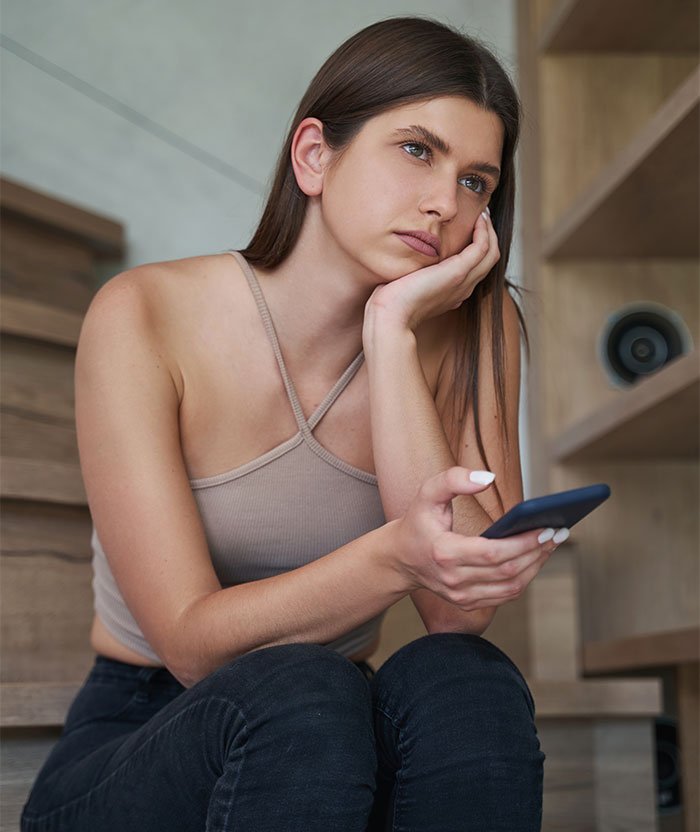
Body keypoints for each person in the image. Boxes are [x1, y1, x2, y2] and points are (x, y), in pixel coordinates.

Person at [21, 15, 568, 831]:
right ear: (314, 155)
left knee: (467, 678)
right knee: (303, 689)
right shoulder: (144, 315)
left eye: (476, 182)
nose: (443, 203)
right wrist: (395, 554)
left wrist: (392, 336)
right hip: (146, 727)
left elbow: (458, 610)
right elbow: (192, 644)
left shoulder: (472, 333)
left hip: (332, 734)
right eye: (418, 150)